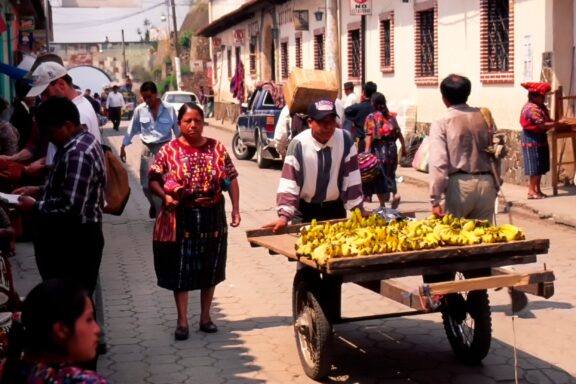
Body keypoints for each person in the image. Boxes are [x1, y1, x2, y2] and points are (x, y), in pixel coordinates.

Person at [148, 102, 240, 340]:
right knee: (182, 268)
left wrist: (236, 210)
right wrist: (165, 196)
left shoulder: (217, 148)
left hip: (213, 214)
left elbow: (231, 180)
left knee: (211, 266)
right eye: (187, 121)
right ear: (179, 124)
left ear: (203, 122)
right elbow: (154, 179)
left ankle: (206, 317)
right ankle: (182, 322)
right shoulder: (169, 150)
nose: (193, 125)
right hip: (182, 214)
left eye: (197, 120)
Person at [14, 97, 106, 296]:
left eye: (50, 132)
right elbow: (69, 185)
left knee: (72, 303)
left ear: (67, 125)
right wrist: (37, 190)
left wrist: (35, 206)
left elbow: (71, 206)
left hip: (74, 242)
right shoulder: (80, 142)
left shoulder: (78, 152)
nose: (49, 138)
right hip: (75, 238)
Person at [264, 99, 365, 233]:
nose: (328, 126)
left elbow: (352, 178)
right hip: (306, 212)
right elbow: (289, 183)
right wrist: (284, 217)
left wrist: (358, 208)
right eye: (323, 122)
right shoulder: (298, 144)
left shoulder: (345, 140)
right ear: (310, 122)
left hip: (335, 210)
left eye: (332, 121)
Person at [0, 279, 109, 383]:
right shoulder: (85, 381)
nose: (97, 329)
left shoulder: (12, 371)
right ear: (61, 330)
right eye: (89, 319)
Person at [429, 74, 497, 222]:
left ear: (444, 98)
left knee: (454, 237)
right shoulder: (485, 117)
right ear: (468, 94)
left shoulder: (442, 121)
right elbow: (497, 153)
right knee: (484, 238)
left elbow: (438, 162)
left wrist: (435, 199)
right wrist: (496, 184)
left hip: (459, 187)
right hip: (486, 183)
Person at [121, 81, 179, 219]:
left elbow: (177, 131)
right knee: (146, 186)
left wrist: (183, 149)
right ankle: (154, 204)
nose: (147, 101)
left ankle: (162, 215)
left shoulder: (169, 109)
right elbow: (132, 129)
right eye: (144, 98)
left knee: (163, 184)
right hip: (147, 150)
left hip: (165, 149)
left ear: (156, 94)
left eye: (149, 97)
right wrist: (123, 146)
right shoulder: (140, 110)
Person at [26, 60, 101, 166]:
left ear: (61, 84)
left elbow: (73, 163)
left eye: (45, 93)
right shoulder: (81, 104)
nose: (43, 99)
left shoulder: (79, 114)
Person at [363, 92, 407, 208]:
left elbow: (369, 136)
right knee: (391, 174)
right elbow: (399, 134)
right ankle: (395, 194)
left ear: (373, 103)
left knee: (378, 176)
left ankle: (382, 204)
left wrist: (367, 152)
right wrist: (404, 148)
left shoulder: (371, 117)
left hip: (379, 149)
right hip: (392, 149)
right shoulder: (391, 116)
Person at [519, 82, 556, 199]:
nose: (543, 99)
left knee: (540, 166)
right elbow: (541, 125)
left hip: (540, 138)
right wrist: (557, 124)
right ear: (534, 97)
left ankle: (538, 190)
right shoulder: (531, 108)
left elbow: (546, 122)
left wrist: (554, 122)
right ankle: (531, 191)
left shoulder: (541, 107)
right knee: (534, 167)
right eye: (541, 97)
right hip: (532, 139)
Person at [344, 81, 377, 152]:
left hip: (364, 142)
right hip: (377, 143)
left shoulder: (360, 107)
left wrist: (361, 102)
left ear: (363, 93)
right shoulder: (377, 106)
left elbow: (347, 111)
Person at [10, 79, 34, 150]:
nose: (34, 98)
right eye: (32, 95)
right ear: (24, 96)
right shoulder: (19, 110)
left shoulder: (26, 109)